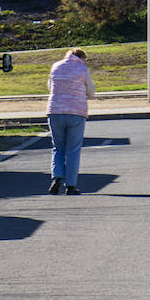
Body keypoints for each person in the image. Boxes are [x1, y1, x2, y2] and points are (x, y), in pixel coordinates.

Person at [46, 48, 96, 195]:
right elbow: (91, 92)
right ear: (81, 57)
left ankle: (56, 178)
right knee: (73, 150)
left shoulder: (55, 66)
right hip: (76, 112)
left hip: (54, 111)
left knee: (57, 147)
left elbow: (50, 87)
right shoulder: (83, 69)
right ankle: (71, 185)